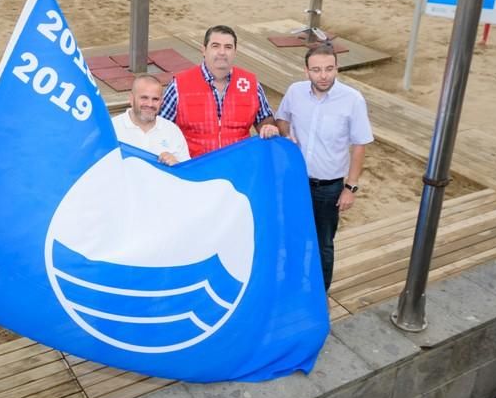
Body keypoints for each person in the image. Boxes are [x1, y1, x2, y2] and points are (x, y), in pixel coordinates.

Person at [275, 45, 372, 295]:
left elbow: (360, 145)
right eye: (317, 70)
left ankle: (319, 294)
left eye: (329, 69)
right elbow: (282, 118)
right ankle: (291, 286)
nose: (324, 75)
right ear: (306, 71)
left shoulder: (352, 99)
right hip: (295, 182)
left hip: (328, 188)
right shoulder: (295, 92)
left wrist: (350, 188)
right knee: (292, 237)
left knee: (322, 245)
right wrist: (287, 135)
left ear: (337, 68)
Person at [159, 24, 279, 158]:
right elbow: (159, 128)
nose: (222, 52)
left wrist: (269, 128)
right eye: (215, 46)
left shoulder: (251, 85)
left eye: (228, 47)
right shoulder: (179, 85)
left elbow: (265, 121)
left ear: (235, 52)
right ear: (204, 50)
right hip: (194, 169)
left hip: (238, 169)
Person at [112, 74, 190, 166]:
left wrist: (176, 164)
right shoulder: (112, 129)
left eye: (155, 99)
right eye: (144, 98)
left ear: (161, 102)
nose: (150, 104)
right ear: (131, 99)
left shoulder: (172, 131)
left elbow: (186, 171)